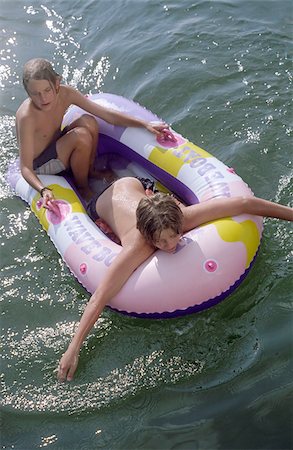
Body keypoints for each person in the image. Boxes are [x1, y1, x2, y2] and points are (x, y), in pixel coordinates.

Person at [57, 176, 293, 381]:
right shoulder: (138, 245)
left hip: (135, 186)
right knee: (86, 185)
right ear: (149, 237)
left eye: (175, 236)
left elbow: (245, 203)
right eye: (161, 243)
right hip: (102, 202)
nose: (170, 246)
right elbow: (100, 296)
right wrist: (73, 348)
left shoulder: (183, 217)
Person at [15, 58, 168, 202]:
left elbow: (107, 115)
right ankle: (83, 187)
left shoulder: (66, 93)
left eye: (47, 90)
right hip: (41, 164)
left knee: (89, 122)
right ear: (28, 93)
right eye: (35, 94)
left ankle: (90, 170)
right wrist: (43, 190)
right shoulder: (27, 117)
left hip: (57, 146)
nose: (43, 98)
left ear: (57, 82)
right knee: (80, 136)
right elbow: (26, 168)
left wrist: (145, 124)